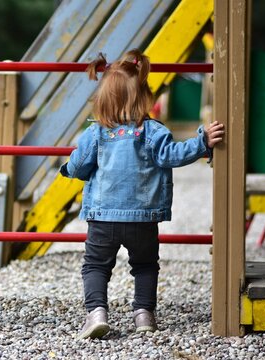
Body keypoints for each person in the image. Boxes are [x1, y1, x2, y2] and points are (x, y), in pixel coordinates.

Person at [59, 49, 224, 339]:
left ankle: (97, 313)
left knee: (96, 265)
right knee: (145, 265)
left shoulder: (96, 134)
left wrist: (68, 170)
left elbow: (79, 164)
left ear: (103, 100)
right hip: (143, 219)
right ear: (144, 97)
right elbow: (173, 155)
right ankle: (144, 315)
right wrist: (202, 143)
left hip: (103, 220)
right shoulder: (153, 131)